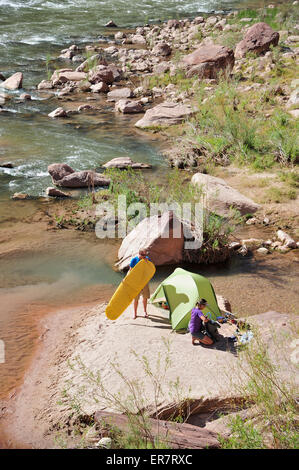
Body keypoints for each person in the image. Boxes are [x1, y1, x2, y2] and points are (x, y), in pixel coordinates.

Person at [129, 249, 151, 319]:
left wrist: (147, 262)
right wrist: (126, 279)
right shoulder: (134, 260)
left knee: (145, 297)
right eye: (144, 255)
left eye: (146, 255)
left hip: (144, 281)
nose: (145, 257)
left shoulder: (147, 259)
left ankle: (145, 312)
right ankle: (135, 313)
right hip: (136, 282)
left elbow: (150, 268)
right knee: (136, 299)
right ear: (140, 254)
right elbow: (130, 271)